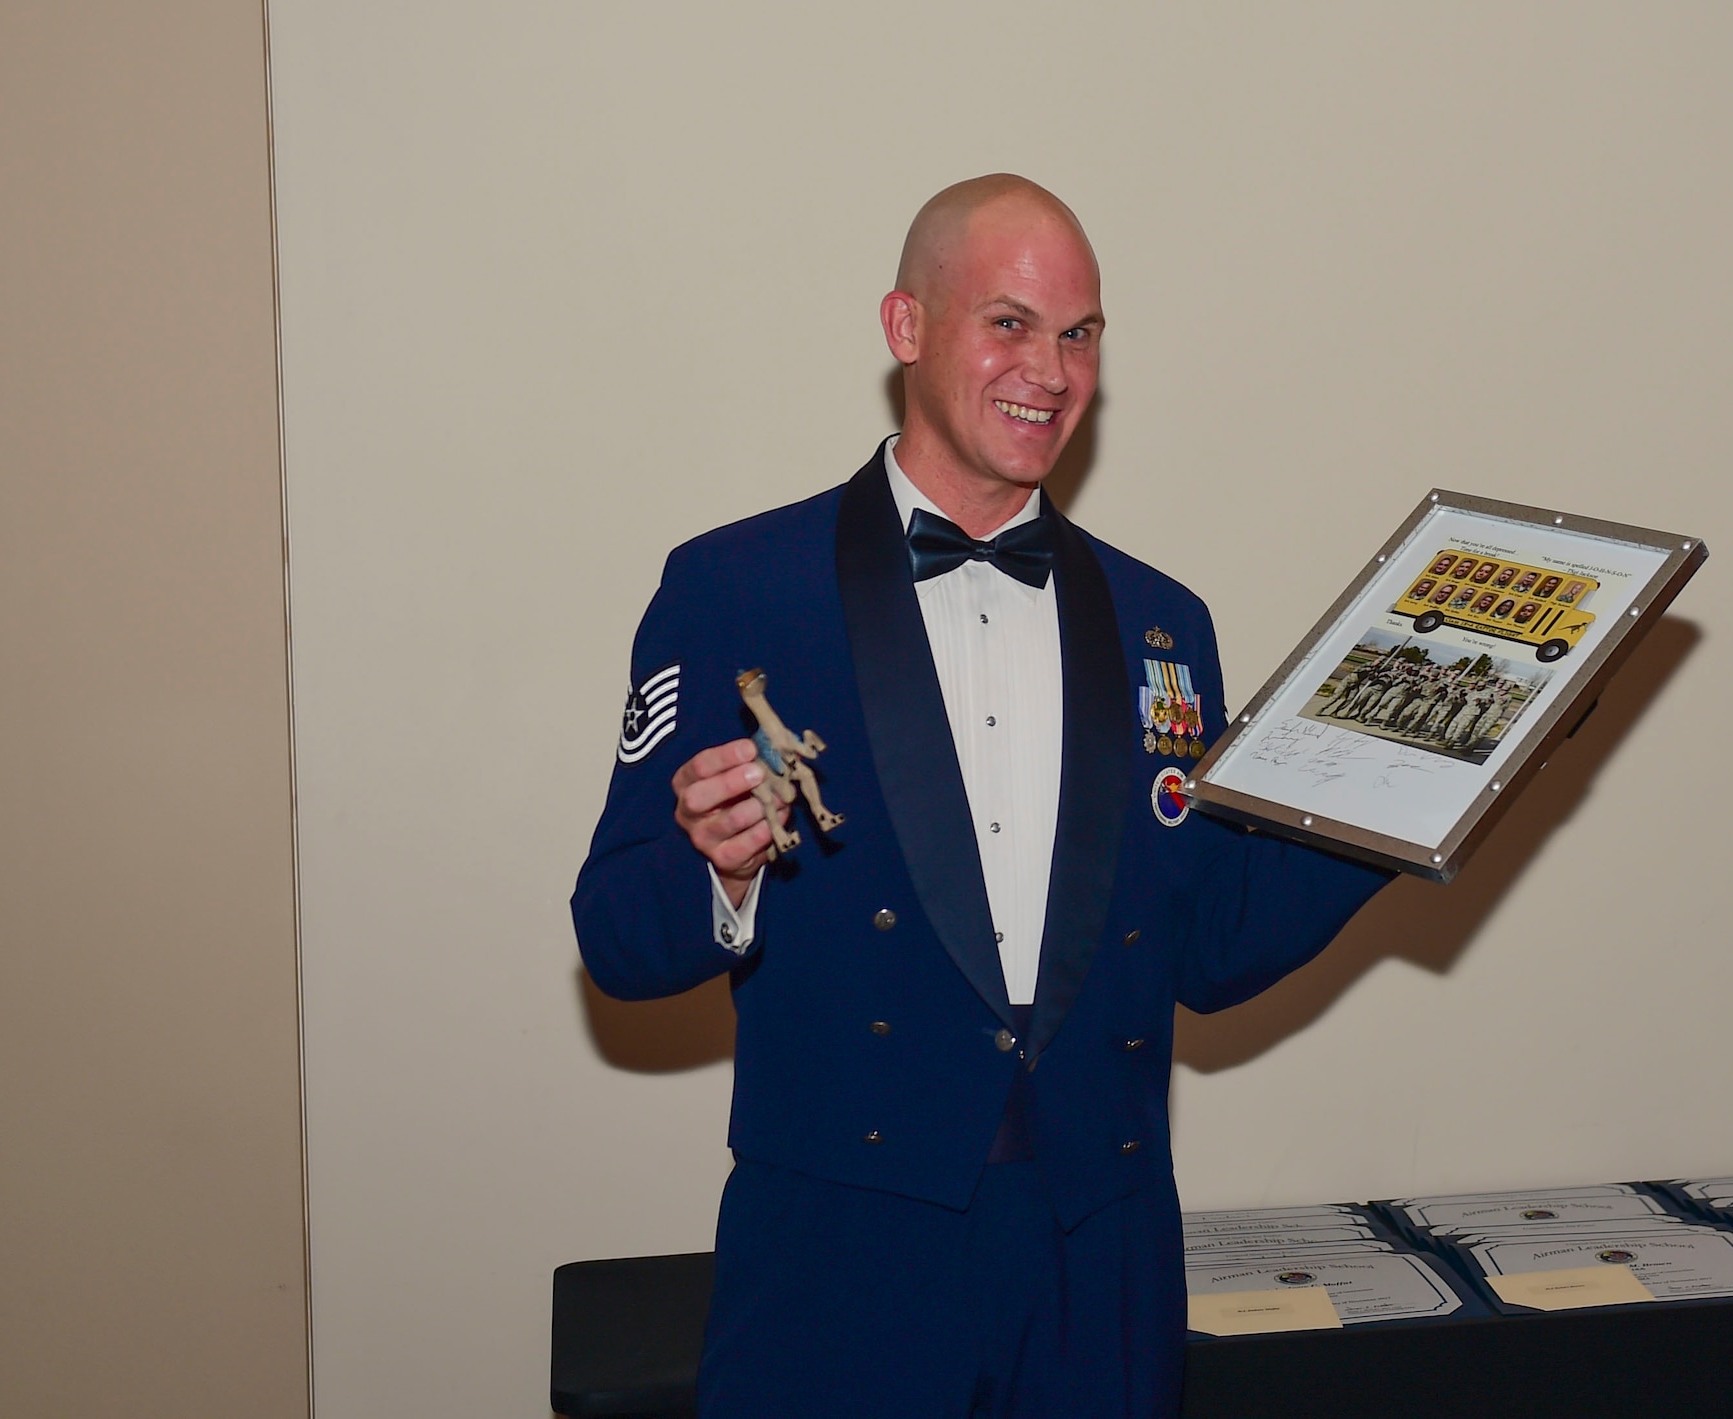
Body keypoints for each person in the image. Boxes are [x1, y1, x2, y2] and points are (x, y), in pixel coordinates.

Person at [571, 174, 1390, 1419]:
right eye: (1008, 323)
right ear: (906, 328)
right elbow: (615, 937)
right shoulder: (738, 588)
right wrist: (720, 874)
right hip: (843, 1251)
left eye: (1079, 334)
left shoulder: (1163, 621)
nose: (1050, 372)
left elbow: (1211, 944)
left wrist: (1408, 789)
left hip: (1097, 1249)